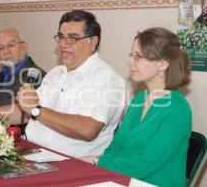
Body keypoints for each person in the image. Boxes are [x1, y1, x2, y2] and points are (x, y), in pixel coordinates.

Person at [81, 27, 192, 186]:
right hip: (124, 180)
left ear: (162, 64)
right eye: (131, 55)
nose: (130, 62)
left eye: (138, 57)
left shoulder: (178, 110)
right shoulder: (140, 98)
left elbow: (146, 163)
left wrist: (97, 161)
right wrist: (100, 165)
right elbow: (116, 147)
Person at [15, 10, 125, 158]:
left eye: (72, 38)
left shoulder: (107, 79)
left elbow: (87, 130)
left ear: (92, 42)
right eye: (60, 37)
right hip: (31, 152)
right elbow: (26, 108)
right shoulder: (56, 73)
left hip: (70, 164)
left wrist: (36, 110)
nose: (63, 44)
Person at [0, 28, 46, 107]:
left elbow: (32, 114)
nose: (6, 52)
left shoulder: (38, 79)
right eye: (1, 48)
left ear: (25, 47)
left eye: (11, 45)